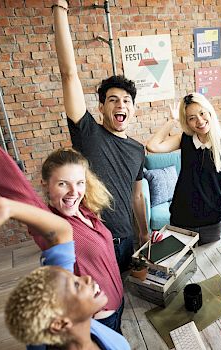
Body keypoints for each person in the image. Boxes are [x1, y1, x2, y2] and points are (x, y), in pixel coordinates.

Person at [52, 0, 149, 272]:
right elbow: (69, 75)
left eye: (126, 100)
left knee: (123, 296)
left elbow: (137, 196)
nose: (121, 105)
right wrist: (60, 8)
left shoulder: (138, 149)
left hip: (127, 239)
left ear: (133, 108)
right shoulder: (88, 134)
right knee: (102, 303)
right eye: (113, 100)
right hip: (94, 240)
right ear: (101, 107)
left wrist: (143, 232)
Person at [0, 143, 124, 333]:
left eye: (80, 183)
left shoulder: (86, 211)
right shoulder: (50, 225)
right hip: (98, 320)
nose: (74, 192)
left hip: (118, 302)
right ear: (45, 184)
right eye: (63, 184)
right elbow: (9, 179)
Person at [0, 199, 130, 350]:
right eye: (76, 285)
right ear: (60, 323)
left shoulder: (55, 324)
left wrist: (8, 207)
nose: (86, 277)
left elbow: (62, 229)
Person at [146, 93, 221, 244]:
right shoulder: (184, 139)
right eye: (191, 118)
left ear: (210, 112)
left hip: (212, 221)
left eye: (202, 113)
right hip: (181, 217)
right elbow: (152, 146)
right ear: (187, 122)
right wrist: (172, 121)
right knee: (183, 265)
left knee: (208, 266)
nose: (200, 121)